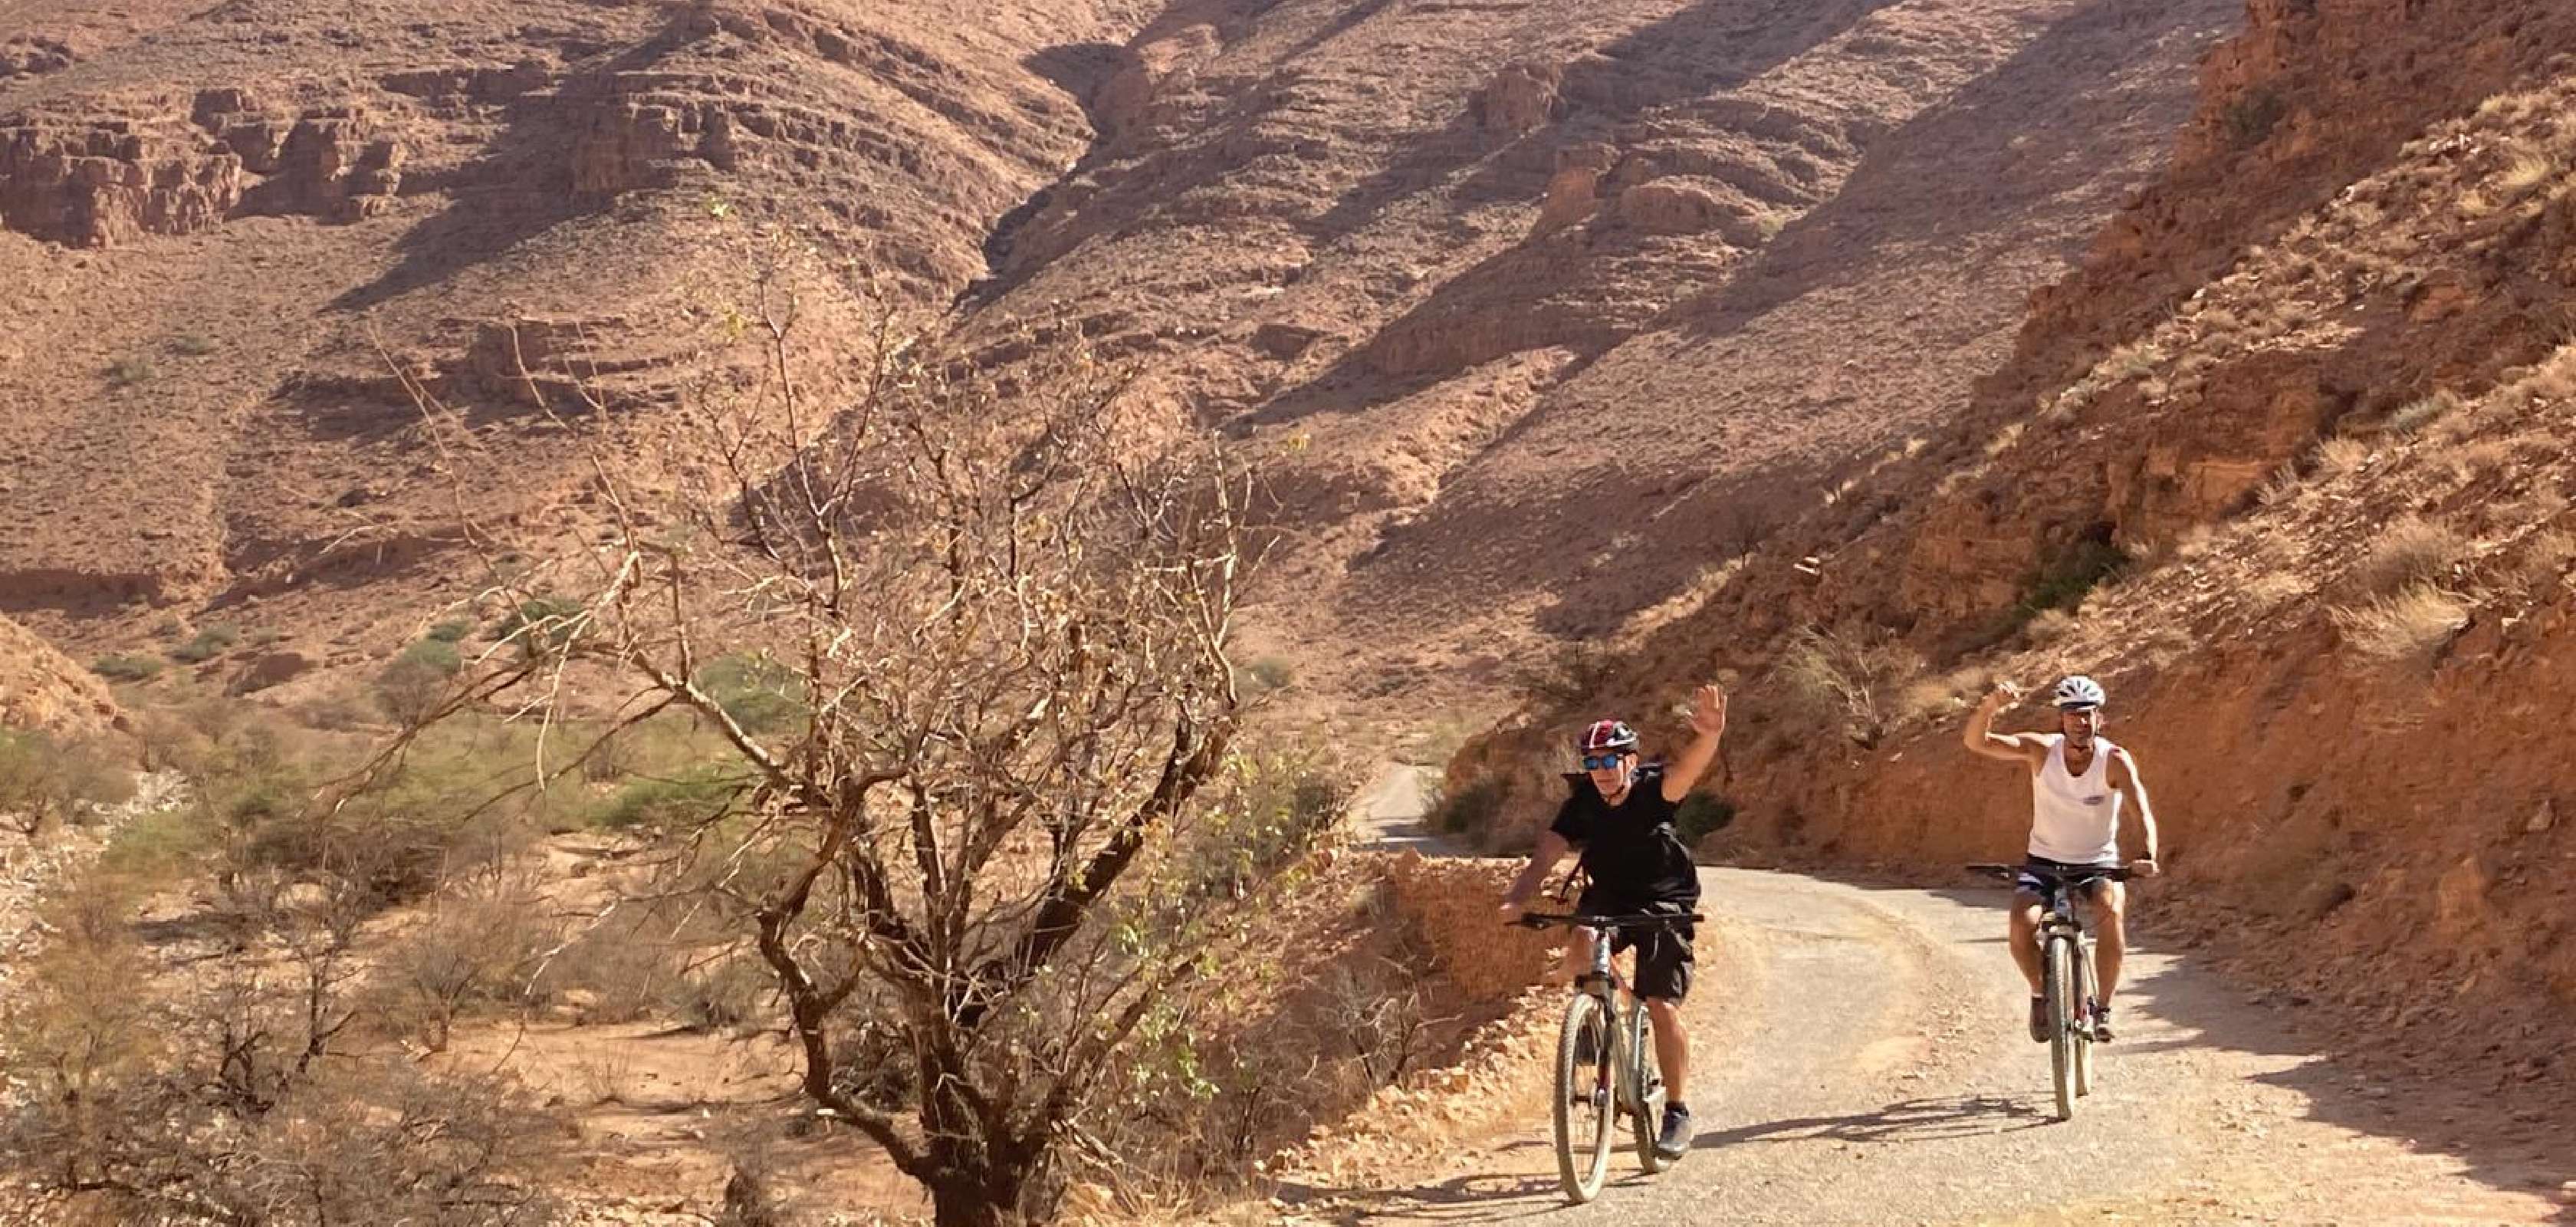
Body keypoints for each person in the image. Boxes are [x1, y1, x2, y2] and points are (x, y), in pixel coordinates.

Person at [1499, 684, 1727, 1160]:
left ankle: (1677, 1111)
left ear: (1631, 760)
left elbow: (1688, 770)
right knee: (1583, 937)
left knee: (1662, 1006)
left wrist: (1708, 736)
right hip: (1610, 897)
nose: (1601, 772)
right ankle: (1596, 1020)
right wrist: (1517, 897)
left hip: (1666, 902)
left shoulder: (1653, 789)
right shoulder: (1583, 801)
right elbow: (1546, 855)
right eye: (1593, 763)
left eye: (1610, 761)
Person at [1962, 675, 2161, 1042]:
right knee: (2021, 924)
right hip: (2044, 861)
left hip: (2097, 862)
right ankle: (2041, 993)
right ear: (2061, 719)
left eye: (2087, 715)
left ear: (2099, 718)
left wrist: (2148, 852)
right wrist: (1991, 706)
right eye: (2073, 715)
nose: (2080, 723)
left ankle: (2102, 1008)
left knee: (2111, 912)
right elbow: (1977, 742)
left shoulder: (2114, 760)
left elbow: (2139, 807)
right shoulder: (2041, 751)